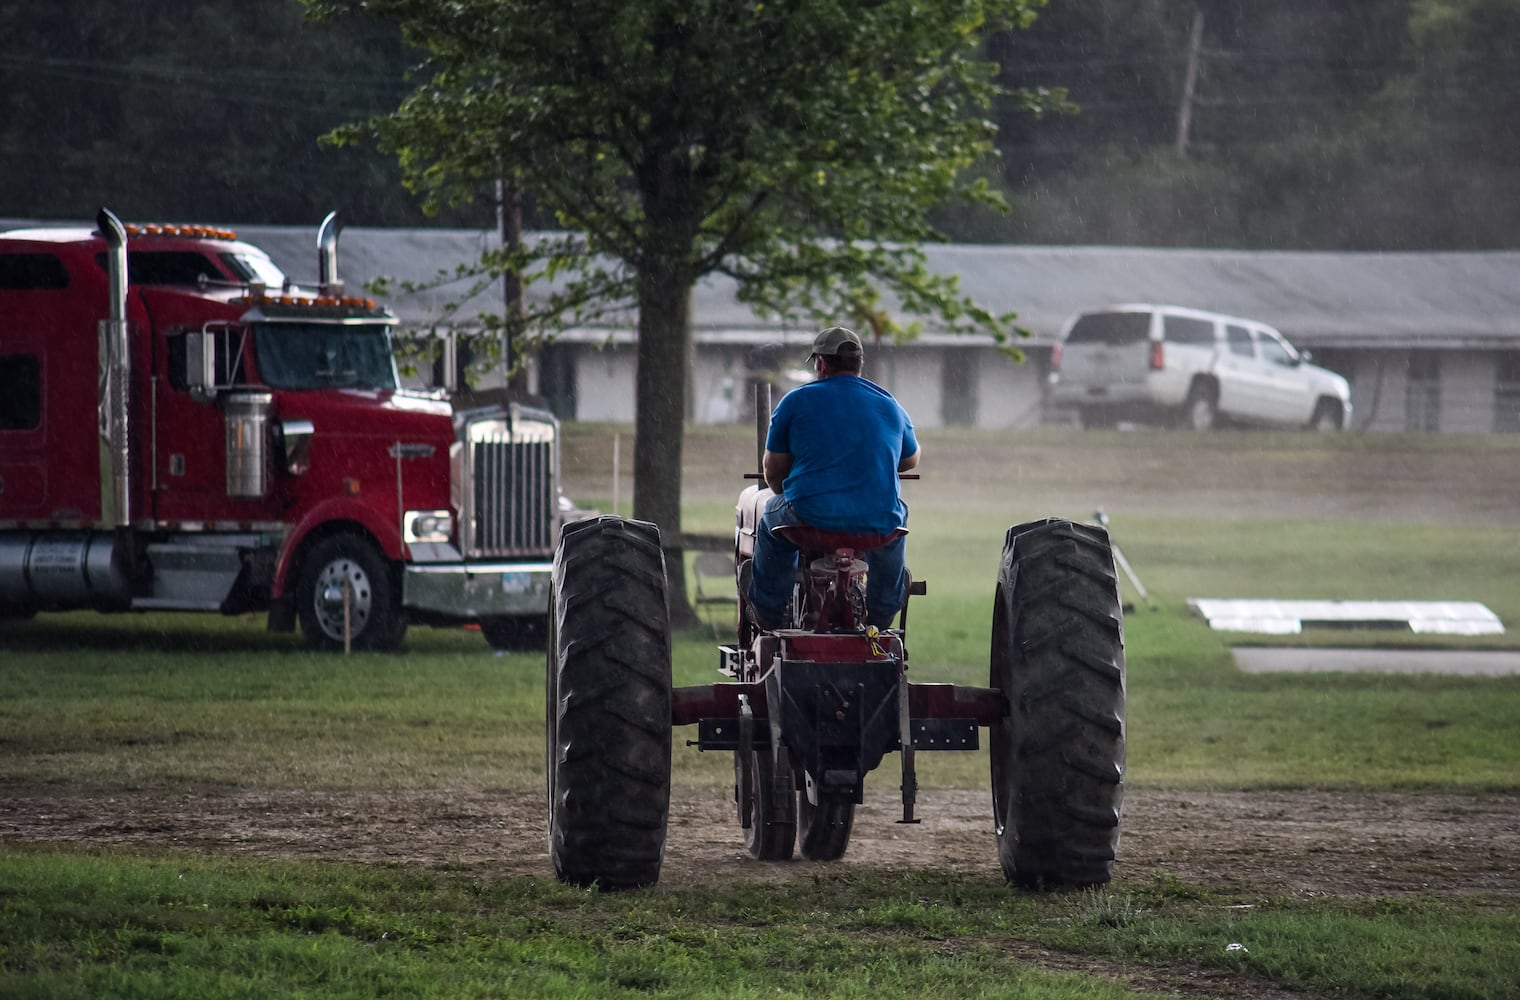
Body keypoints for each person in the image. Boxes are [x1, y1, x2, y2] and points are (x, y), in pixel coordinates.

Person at [747, 326, 920, 630]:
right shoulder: (890, 405)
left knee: (770, 519)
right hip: (874, 525)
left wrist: (788, 488)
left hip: (809, 522)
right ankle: (881, 616)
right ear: (859, 363)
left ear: (821, 364)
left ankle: (768, 614)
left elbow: (772, 472)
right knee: (896, 521)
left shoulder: (795, 402)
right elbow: (909, 459)